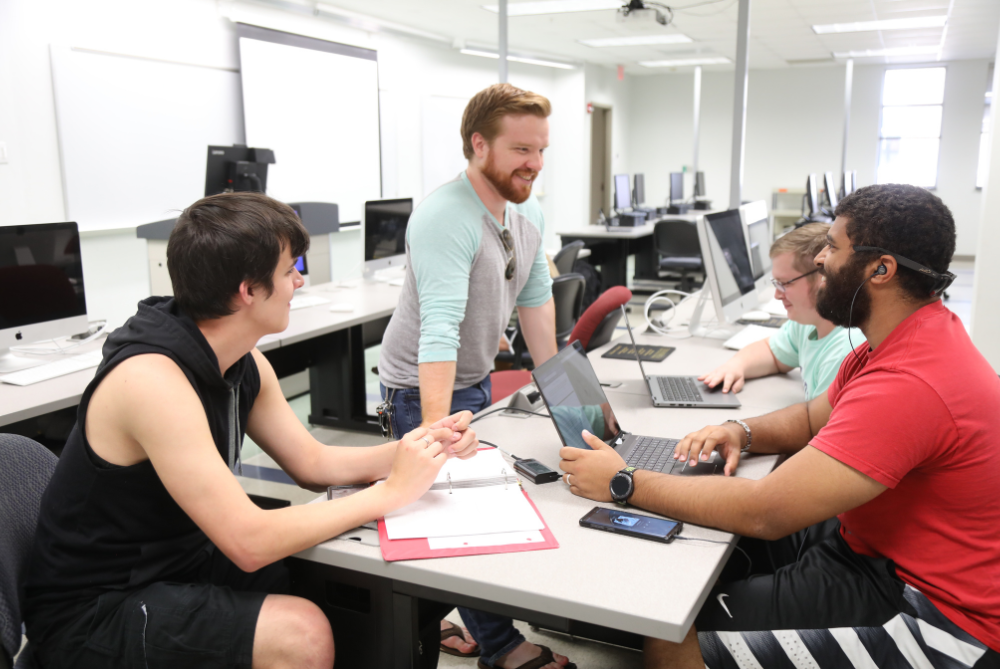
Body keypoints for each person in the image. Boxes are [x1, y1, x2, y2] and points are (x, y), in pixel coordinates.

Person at [23, 192, 479, 669]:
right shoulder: (151, 381)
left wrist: (422, 446)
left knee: (354, 592)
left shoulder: (242, 360)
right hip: (94, 612)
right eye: (289, 271)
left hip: (179, 563)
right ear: (248, 290)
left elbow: (312, 464)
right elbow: (249, 542)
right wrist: (391, 492)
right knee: (301, 635)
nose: (299, 281)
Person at [560, 184, 1000, 668]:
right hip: (874, 555)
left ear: (881, 269)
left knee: (672, 638)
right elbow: (813, 418)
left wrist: (623, 482)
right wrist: (741, 432)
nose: (821, 262)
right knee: (695, 577)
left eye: (832, 247)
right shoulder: (902, 339)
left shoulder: (911, 381)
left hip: (936, 613)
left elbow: (765, 513)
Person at [378, 83, 571, 669]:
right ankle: (501, 646)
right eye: (520, 150)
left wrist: (565, 395)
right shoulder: (445, 216)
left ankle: (440, 621)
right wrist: (436, 432)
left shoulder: (526, 209)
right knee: (453, 511)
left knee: (467, 501)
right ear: (478, 144)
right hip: (420, 384)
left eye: (540, 149)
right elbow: (440, 330)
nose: (534, 164)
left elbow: (536, 302)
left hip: (474, 376)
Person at [700, 223, 863, 401]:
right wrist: (735, 366)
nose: (777, 295)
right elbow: (772, 353)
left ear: (824, 277)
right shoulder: (808, 323)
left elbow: (818, 425)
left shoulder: (844, 351)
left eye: (785, 283)